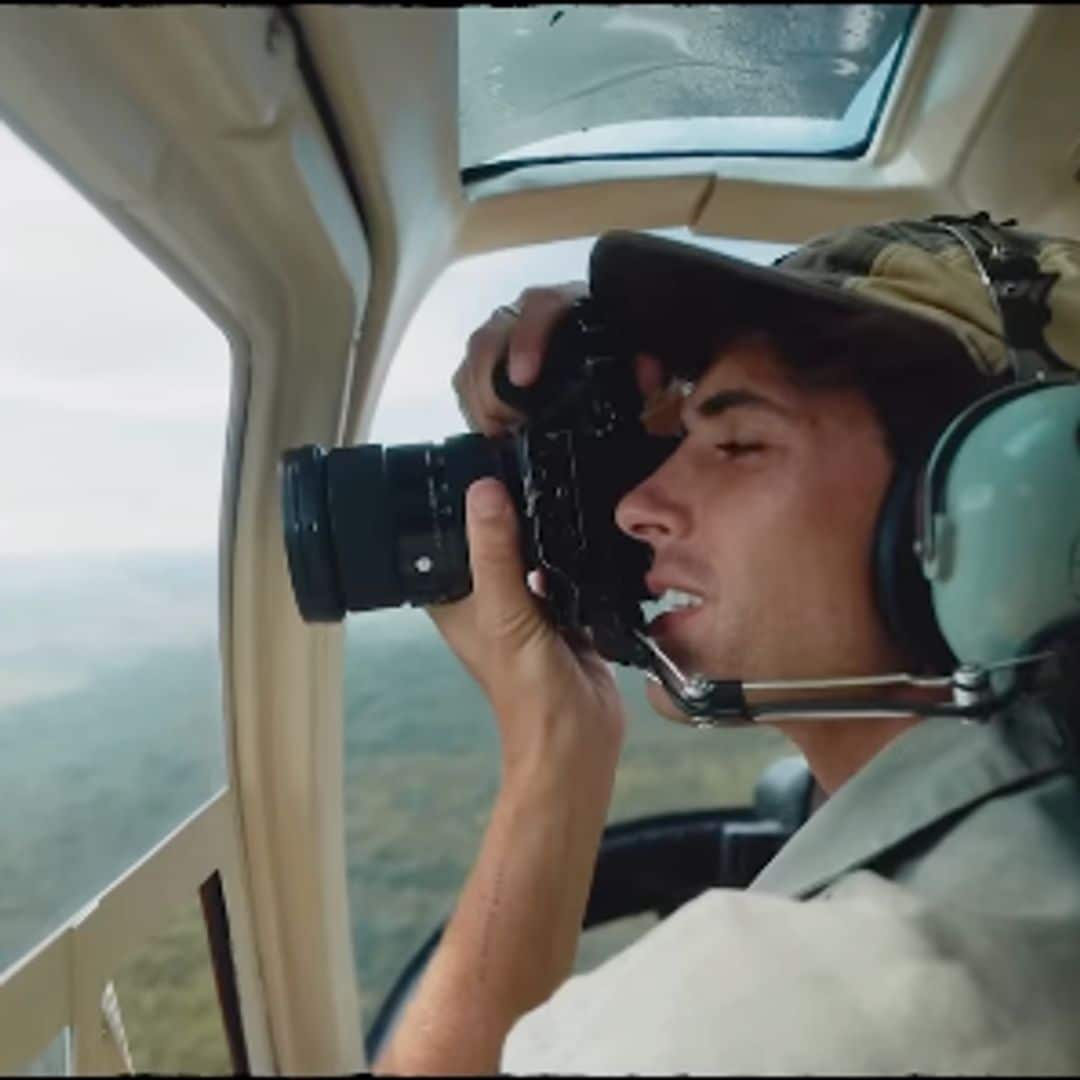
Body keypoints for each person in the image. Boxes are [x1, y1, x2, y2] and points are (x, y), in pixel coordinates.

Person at [373, 217, 1080, 1075]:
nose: (638, 507)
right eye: (677, 441)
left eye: (738, 444)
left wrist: (547, 752)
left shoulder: (804, 1005)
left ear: (1024, 504)